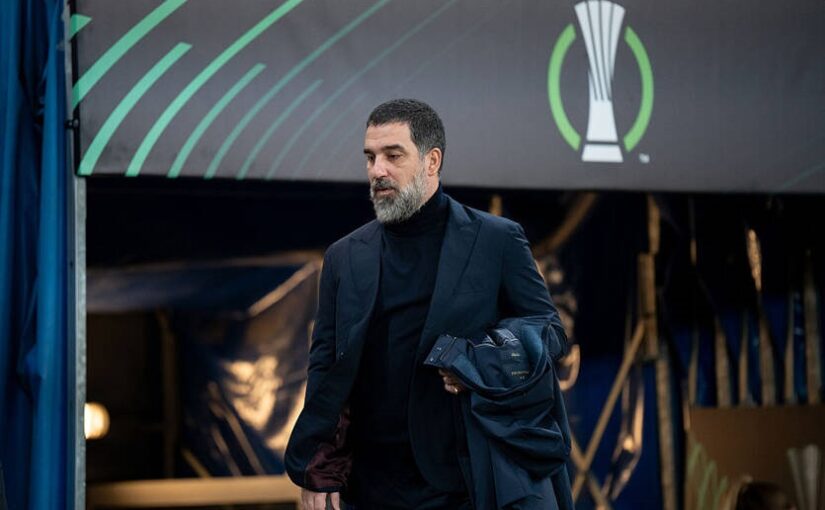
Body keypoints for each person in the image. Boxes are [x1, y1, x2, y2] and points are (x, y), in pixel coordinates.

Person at [285, 99, 570, 509]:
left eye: (393, 155)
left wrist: (477, 360)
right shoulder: (344, 256)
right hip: (370, 487)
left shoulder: (496, 240)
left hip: (464, 483)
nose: (377, 170)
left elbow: (550, 332)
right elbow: (326, 366)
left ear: (432, 160)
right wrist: (320, 463)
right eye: (370, 157)